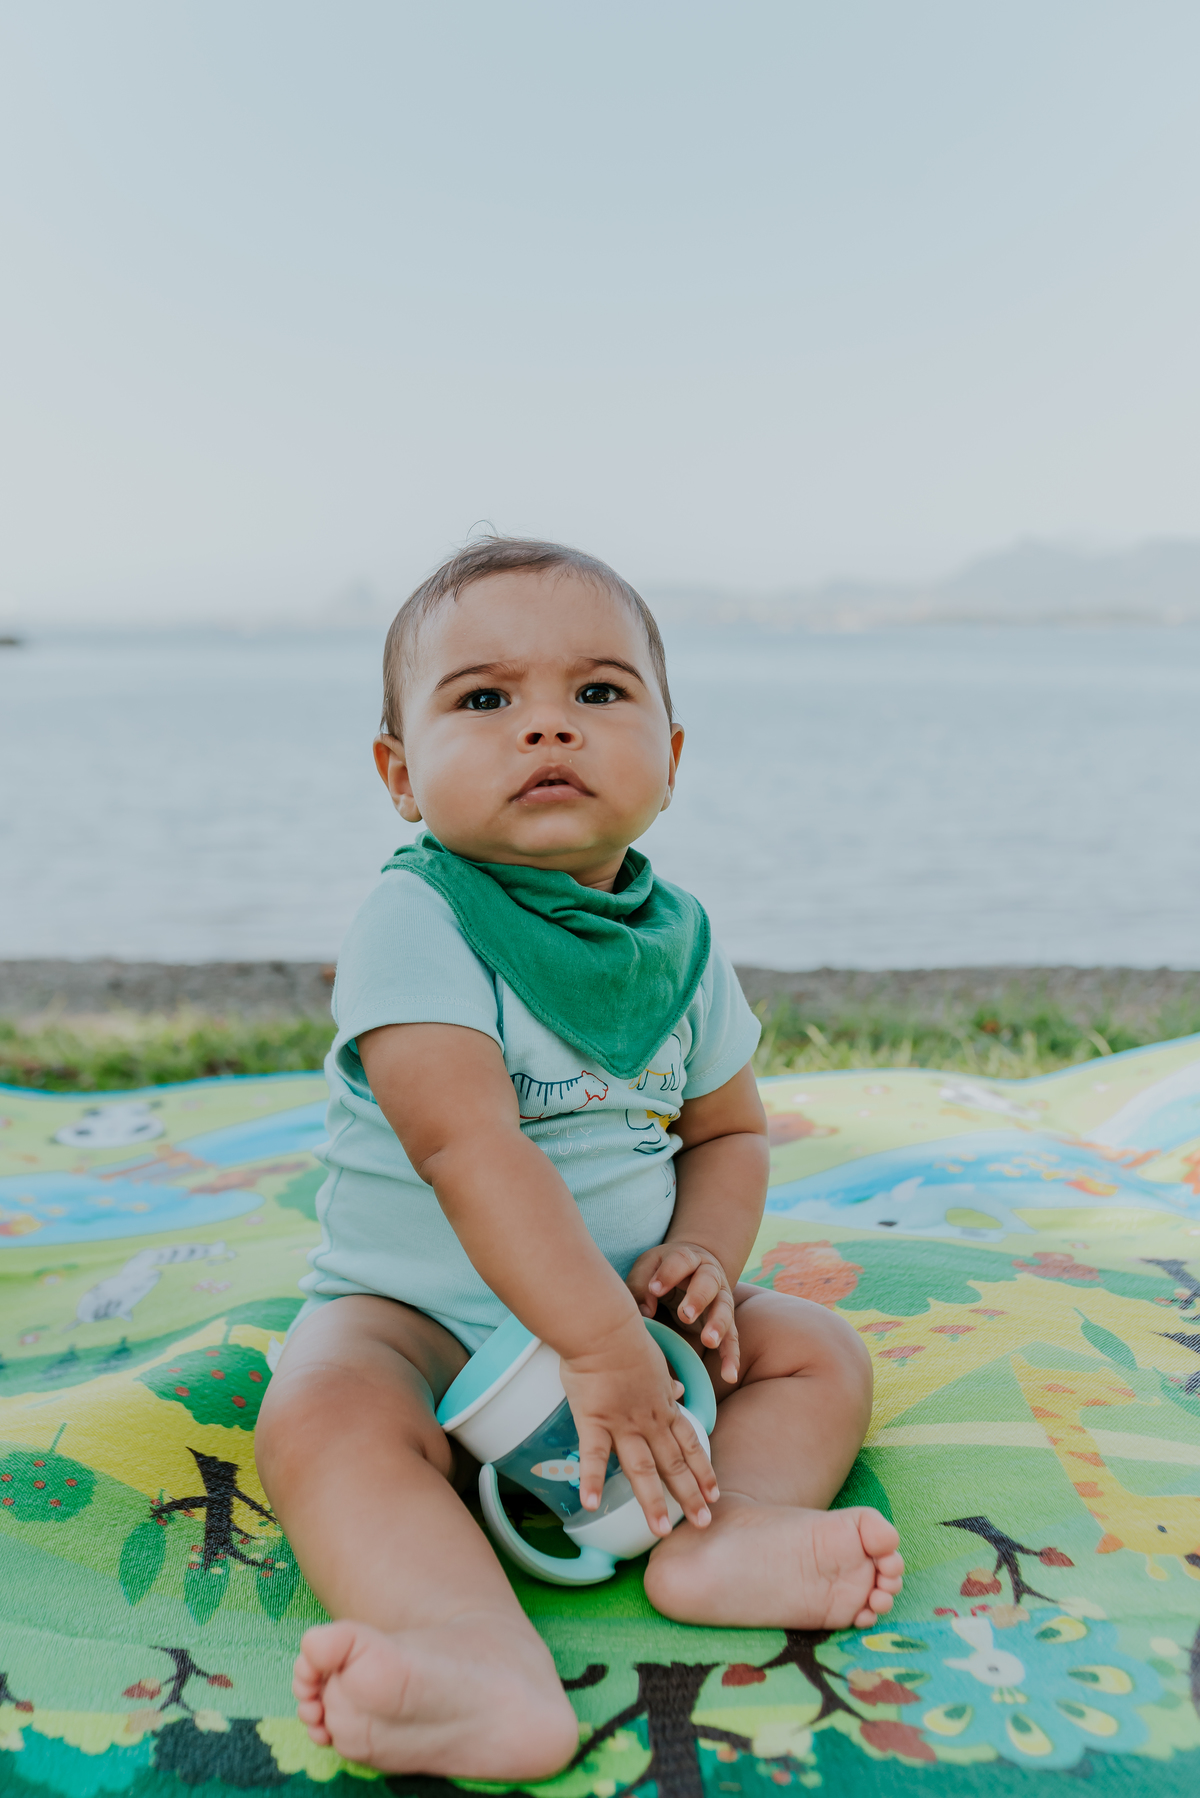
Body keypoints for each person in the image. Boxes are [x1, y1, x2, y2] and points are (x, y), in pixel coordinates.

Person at [255, 538, 903, 1781]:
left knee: (814, 1347)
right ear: (400, 773)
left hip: (640, 1338)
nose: (546, 728)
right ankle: (468, 1657)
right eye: (486, 700)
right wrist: (593, 1348)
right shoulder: (419, 919)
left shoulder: (681, 943)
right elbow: (464, 1145)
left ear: (671, 755)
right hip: (428, 1328)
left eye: (598, 693)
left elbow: (729, 1130)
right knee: (324, 1406)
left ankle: (727, 1531)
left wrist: (700, 1262)